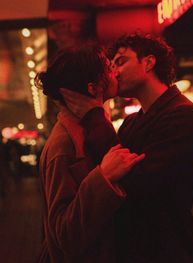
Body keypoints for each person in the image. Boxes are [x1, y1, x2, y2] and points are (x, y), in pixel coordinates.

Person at [61, 33, 193, 263]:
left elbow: (138, 182)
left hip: (166, 250)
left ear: (148, 62)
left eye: (120, 62)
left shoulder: (183, 115)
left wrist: (94, 114)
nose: (114, 73)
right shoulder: (132, 122)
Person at [35, 43, 145, 263]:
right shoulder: (64, 146)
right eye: (107, 67)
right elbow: (64, 234)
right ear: (93, 88)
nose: (114, 71)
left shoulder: (88, 127)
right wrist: (103, 177)